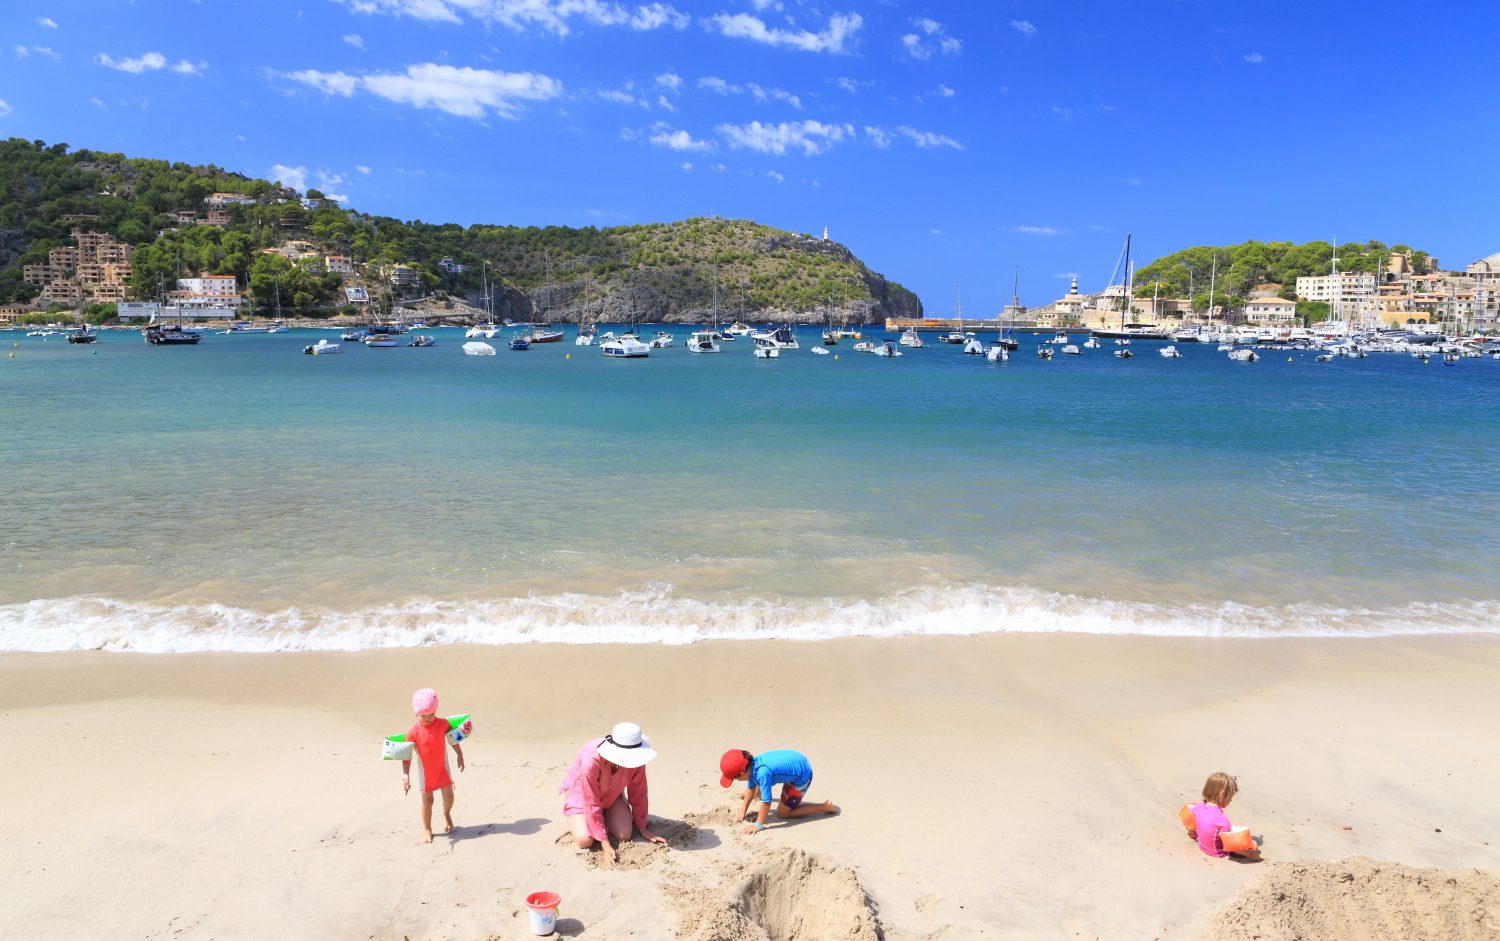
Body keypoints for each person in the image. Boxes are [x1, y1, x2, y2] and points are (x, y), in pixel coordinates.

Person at [559, 721, 667, 869]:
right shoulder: (590, 762)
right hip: (582, 797)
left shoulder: (637, 760)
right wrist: (605, 844)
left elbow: (639, 792)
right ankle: (578, 816)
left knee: (625, 834)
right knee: (585, 841)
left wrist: (642, 827)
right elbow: (591, 802)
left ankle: (613, 804)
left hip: (612, 795)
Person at [719, 748, 838, 835]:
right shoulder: (751, 764)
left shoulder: (762, 774)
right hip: (796, 760)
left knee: (782, 813)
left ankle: (824, 807)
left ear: (742, 773)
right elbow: (750, 787)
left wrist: (758, 824)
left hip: (802, 776)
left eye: (735, 778)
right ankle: (757, 794)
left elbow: (766, 803)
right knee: (754, 788)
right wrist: (742, 811)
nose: (735, 780)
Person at [399, 688, 465, 844]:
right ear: (416, 714)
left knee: (449, 797)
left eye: (431, 714)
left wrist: (460, 755)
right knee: (428, 802)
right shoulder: (412, 732)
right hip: (426, 773)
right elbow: (406, 756)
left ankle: (446, 813)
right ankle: (427, 829)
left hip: (443, 769)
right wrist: (405, 775)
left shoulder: (442, 724)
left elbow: (453, 739)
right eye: (424, 715)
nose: (428, 718)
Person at [1189, 771, 1260, 860]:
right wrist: (1251, 855)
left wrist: (1193, 833)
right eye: (1230, 798)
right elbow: (1231, 847)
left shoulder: (1199, 807)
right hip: (1217, 853)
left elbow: (1189, 824)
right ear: (1222, 795)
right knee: (1254, 844)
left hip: (1201, 845)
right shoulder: (1222, 821)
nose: (1230, 801)